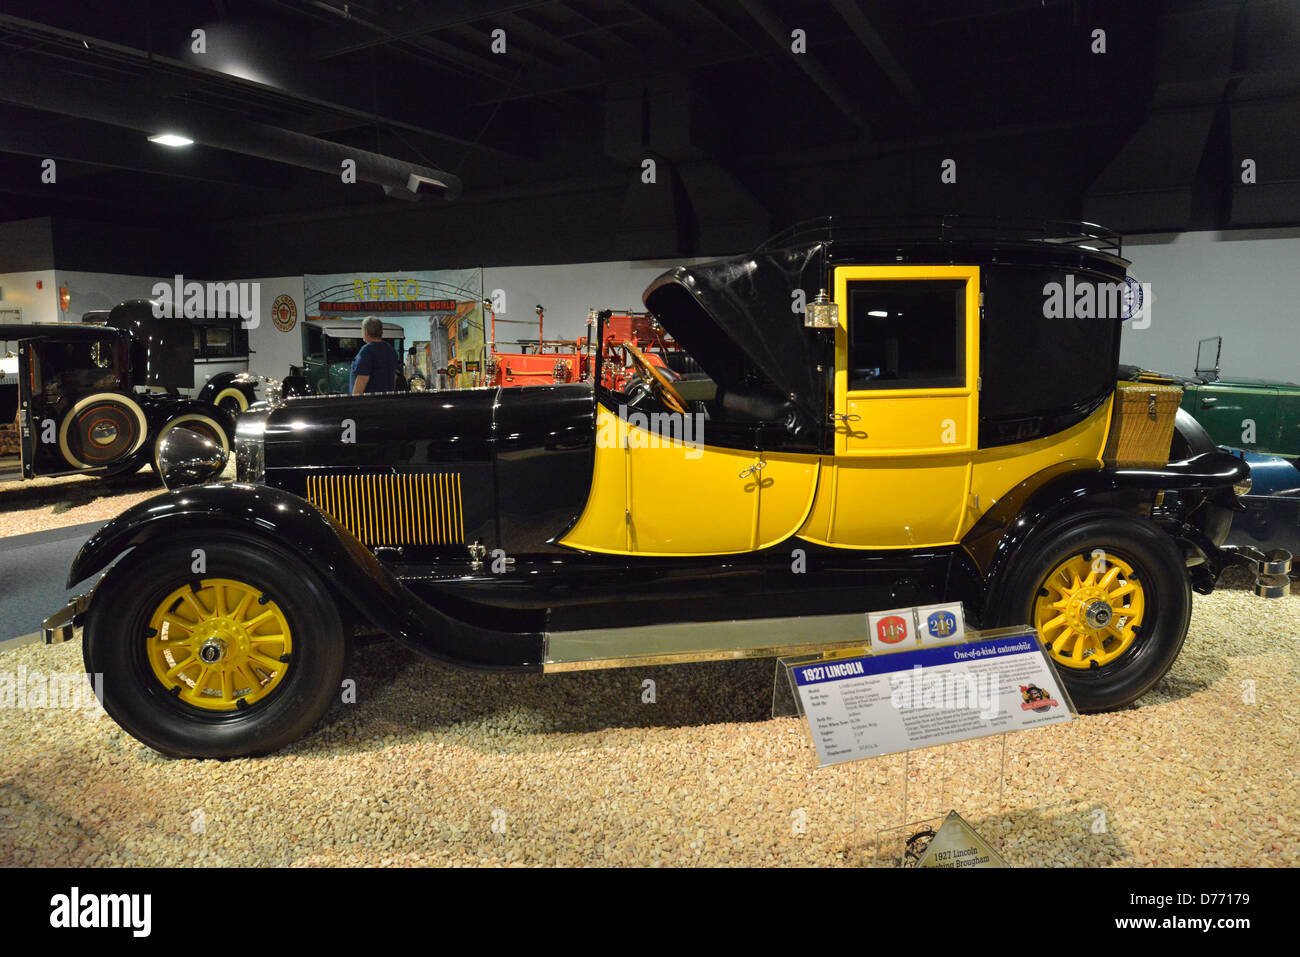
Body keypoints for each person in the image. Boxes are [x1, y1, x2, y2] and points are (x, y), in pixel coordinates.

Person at [350, 316, 398, 394]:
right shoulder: (390, 350)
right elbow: (394, 377)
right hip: (387, 400)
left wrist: (354, 403)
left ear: (366, 332)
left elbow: (362, 379)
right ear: (381, 332)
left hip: (370, 402)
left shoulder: (367, 351)